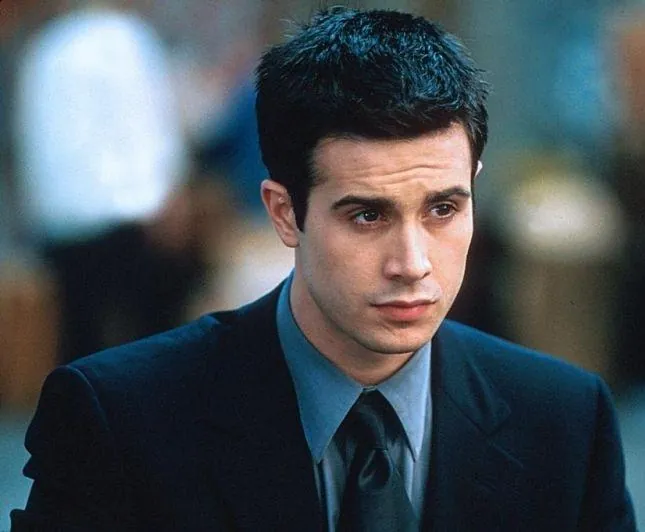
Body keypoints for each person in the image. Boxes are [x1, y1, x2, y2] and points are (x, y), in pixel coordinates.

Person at [11, 7, 636, 531]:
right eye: (367, 215)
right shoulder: (120, 421)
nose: (412, 264)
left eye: (443, 209)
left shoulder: (564, 421)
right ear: (285, 214)